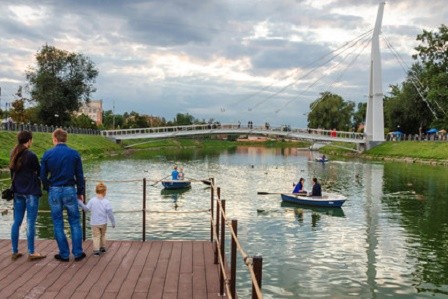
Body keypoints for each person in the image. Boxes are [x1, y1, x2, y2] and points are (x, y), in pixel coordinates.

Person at [40, 128, 86, 262]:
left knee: (57, 222)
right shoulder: (74, 154)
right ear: (66, 139)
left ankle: (64, 254)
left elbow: (42, 175)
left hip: (54, 189)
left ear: (54, 139)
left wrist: (48, 186)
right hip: (70, 189)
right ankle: (78, 252)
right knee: (74, 221)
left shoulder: (48, 154)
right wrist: (80, 192)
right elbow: (79, 175)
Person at [9, 131, 46, 261]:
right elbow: (39, 171)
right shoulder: (31, 155)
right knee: (31, 222)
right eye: (32, 140)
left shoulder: (13, 153)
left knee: (16, 222)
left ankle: (14, 251)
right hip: (30, 192)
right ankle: (31, 252)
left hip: (18, 192)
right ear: (29, 140)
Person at [78, 182, 115, 256]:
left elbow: (86, 209)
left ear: (96, 191)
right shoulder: (106, 202)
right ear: (104, 192)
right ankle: (103, 247)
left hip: (94, 223)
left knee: (96, 236)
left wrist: (80, 203)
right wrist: (113, 222)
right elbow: (110, 213)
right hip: (103, 222)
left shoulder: (92, 200)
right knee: (103, 235)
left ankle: (96, 251)